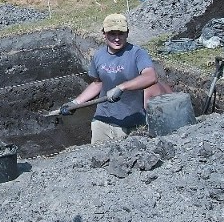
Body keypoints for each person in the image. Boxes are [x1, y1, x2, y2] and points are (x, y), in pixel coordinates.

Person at [60, 13, 171, 143]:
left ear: (127, 33)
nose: (117, 38)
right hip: (102, 122)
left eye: (121, 34)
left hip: (129, 123)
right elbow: (97, 83)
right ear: (104, 34)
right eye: (112, 34)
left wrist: (122, 87)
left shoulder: (137, 54)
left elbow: (151, 77)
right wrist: (75, 103)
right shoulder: (99, 56)